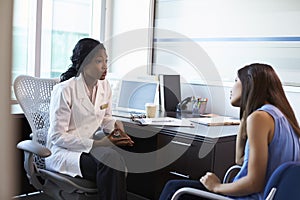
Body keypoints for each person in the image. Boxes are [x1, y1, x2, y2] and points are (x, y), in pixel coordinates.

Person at [159, 63, 300, 200]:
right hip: (267, 195)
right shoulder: (281, 116)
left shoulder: (259, 118)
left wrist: (216, 186)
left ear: (248, 84)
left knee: (174, 188)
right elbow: (240, 161)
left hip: (251, 196)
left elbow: (253, 184)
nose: (231, 88)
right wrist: (245, 117)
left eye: (235, 81)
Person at [45, 38, 134, 200]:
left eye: (106, 61)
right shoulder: (64, 90)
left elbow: (106, 117)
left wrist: (116, 128)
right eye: (99, 61)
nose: (105, 67)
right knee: (111, 160)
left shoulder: (105, 86)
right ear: (84, 63)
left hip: (88, 150)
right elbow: (57, 137)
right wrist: (97, 144)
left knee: (112, 159)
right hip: (64, 153)